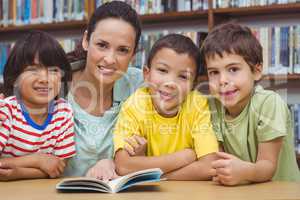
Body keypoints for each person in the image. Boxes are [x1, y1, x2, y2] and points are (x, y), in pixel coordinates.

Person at [200, 22, 300, 185]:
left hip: (282, 191)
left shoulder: (269, 103)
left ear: (256, 71)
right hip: (242, 190)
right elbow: (217, 159)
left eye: (233, 69)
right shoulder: (211, 106)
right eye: (214, 72)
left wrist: (243, 171)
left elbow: (267, 166)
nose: (223, 80)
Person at [113, 34, 219, 180]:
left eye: (183, 77)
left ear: (193, 85)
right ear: (147, 74)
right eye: (163, 70)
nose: (170, 83)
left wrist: (154, 173)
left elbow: (209, 166)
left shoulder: (197, 104)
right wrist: (183, 157)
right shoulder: (135, 105)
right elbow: (124, 165)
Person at [62, 1, 143, 180]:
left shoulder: (139, 84)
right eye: (102, 45)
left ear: (133, 55)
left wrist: (114, 162)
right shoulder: (54, 86)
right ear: (85, 41)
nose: (110, 59)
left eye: (123, 50)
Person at [0, 31, 75, 181]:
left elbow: (57, 167)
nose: (44, 79)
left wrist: (18, 172)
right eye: (32, 70)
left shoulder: (63, 112)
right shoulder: (6, 111)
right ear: (15, 79)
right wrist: (38, 160)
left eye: (53, 70)